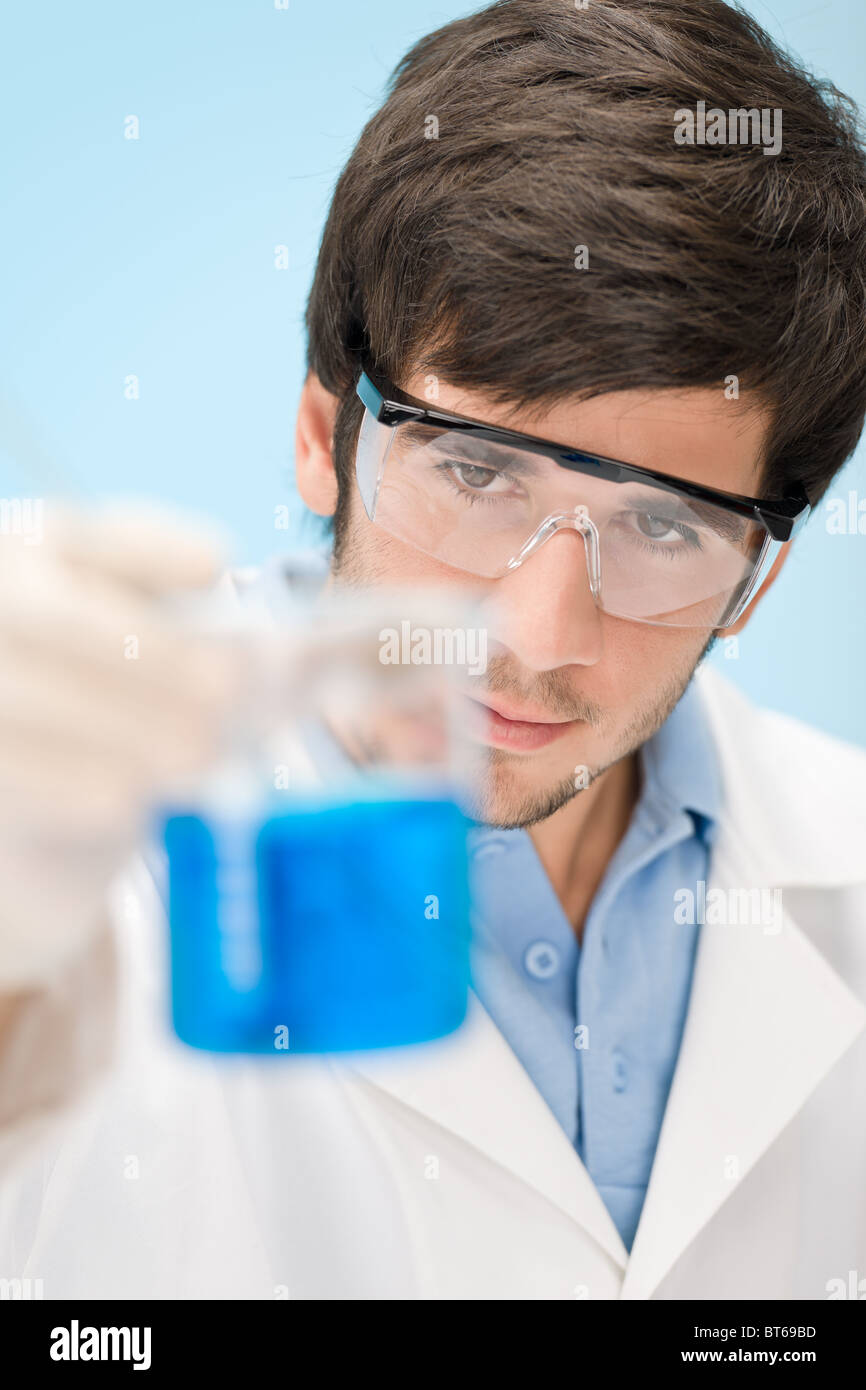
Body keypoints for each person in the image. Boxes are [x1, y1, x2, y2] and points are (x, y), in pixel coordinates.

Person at [1, 0, 865, 1300]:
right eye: (474, 470)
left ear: (758, 574)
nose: (535, 637)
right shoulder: (71, 847)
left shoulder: (839, 851)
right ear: (320, 435)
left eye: (662, 525)